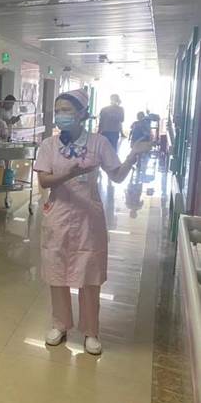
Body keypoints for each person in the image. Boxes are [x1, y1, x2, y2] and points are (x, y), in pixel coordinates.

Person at [35, 89, 150, 355]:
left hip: (89, 217)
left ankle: (91, 332)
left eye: (66, 110)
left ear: (82, 114)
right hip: (59, 214)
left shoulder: (99, 143)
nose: (61, 115)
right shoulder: (49, 145)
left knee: (90, 274)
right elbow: (44, 180)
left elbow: (117, 176)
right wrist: (69, 173)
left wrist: (133, 155)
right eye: (58, 110)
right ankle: (60, 324)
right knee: (57, 270)